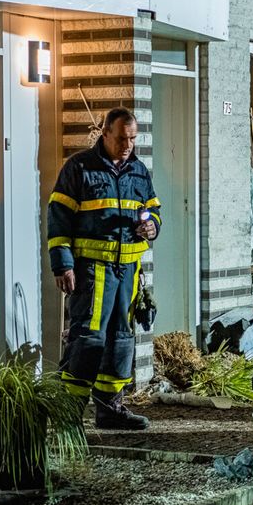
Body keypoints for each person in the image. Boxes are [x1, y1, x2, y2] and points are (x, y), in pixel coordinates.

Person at [47, 108, 160, 430]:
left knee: (122, 339)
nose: (128, 145)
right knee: (88, 338)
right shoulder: (79, 168)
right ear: (105, 134)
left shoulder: (139, 170)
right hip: (92, 271)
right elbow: (58, 218)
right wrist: (63, 265)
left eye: (133, 138)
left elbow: (153, 209)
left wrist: (151, 227)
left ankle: (110, 410)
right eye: (122, 138)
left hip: (129, 271)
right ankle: (68, 414)